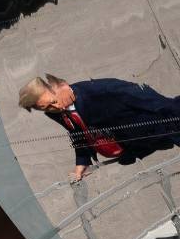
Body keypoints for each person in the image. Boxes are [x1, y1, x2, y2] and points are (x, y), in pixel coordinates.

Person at [18, 74, 180, 182]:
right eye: (46, 107)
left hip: (161, 120)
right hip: (135, 140)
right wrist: (81, 164)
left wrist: (170, 111)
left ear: (54, 89)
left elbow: (136, 93)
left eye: (53, 101)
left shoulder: (94, 91)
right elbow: (77, 134)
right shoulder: (54, 113)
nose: (56, 107)